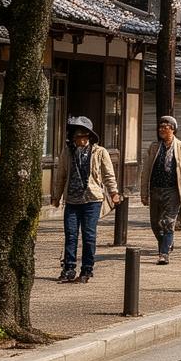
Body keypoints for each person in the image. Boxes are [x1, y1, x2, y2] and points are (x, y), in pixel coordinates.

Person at [51, 116, 119, 284]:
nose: (79, 139)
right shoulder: (67, 152)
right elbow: (61, 176)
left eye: (82, 136)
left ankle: (87, 269)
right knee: (71, 234)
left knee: (89, 235)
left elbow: (108, 175)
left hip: (92, 199)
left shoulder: (100, 152)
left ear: (88, 136)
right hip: (72, 200)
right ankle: (69, 268)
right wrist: (56, 196)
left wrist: (114, 192)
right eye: (76, 136)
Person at [141, 115, 181, 265]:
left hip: (173, 190)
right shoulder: (154, 147)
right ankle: (167, 242)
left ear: (172, 129)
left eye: (165, 127)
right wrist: (144, 193)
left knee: (168, 222)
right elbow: (146, 171)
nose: (161, 130)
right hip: (155, 189)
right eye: (160, 127)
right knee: (155, 224)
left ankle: (164, 253)